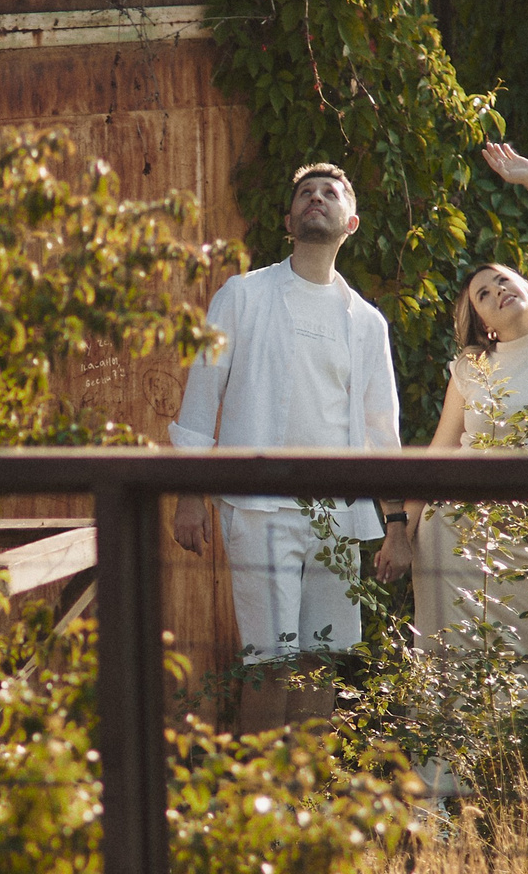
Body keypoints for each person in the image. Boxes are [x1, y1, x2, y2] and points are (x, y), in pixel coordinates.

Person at [169, 164, 413, 710]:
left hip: (337, 515)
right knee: (270, 663)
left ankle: (310, 796)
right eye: (305, 192)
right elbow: (202, 394)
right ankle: (261, 795)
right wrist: (189, 492)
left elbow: (382, 432)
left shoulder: (368, 322)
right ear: (289, 220)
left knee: (320, 662)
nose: (316, 199)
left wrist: (395, 525)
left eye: (330, 193)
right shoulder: (242, 295)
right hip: (260, 509)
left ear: (350, 222)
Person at [402, 142, 528, 667]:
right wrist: (401, 532)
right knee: (453, 669)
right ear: (483, 323)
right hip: (453, 529)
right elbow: (441, 451)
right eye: (483, 295)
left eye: (503, 281)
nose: (496, 291)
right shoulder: (471, 368)